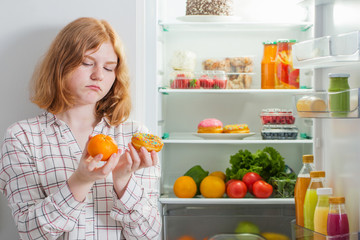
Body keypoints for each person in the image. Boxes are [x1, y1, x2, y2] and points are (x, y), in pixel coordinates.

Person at [0, 17, 161, 240]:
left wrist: (123, 181)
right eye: (87, 63)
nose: (99, 75)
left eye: (109, 68)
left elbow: (149, 235)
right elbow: (31, 232)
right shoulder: (22, 137)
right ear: (60, 64)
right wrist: (81, 180)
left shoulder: (133, 136)